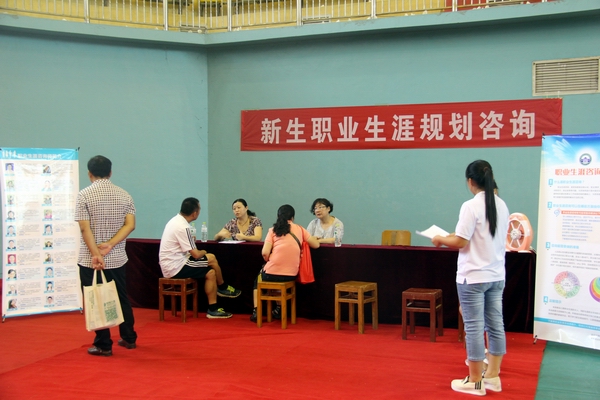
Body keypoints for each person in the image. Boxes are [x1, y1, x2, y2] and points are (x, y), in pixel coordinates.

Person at [432, 160, 509, 396]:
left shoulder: (471, 206)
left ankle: (475, 381)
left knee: (474, 326)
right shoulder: (501, 204)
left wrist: (440, 239)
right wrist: (452, 236)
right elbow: (473, 235)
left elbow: (461, 241)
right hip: (496, 275)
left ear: (470, 181)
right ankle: (492, 376)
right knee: (495, 325)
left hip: (473, 277)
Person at [76, 155, 137, 357]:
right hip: (117, 257)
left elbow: (84, 229)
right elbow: (130, 225)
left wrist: (96, 254)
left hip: (90, 260)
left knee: (95, 300)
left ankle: (103, 344)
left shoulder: (84, 195)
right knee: (121, 296)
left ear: (89, 174)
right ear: (110, 173)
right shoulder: (124, 195)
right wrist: (111, 244)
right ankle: (129, 337)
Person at [159, 197, 240, 319]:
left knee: (210, 273)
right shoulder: (183, 226)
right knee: (211, 258)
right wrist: (204, 251)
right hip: (176, 266)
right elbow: (196, 254)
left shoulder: (175, 221)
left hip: (172, 263)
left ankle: (213, 308)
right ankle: (222, 287)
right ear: (195, 213)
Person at [250, 205, 320, 322]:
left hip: (271, 273)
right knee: (279, 280)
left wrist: (269, 260)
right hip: (291, 274)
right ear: (292, 217)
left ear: (278, 216)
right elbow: (316, 245)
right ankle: (278, 309)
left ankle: (257, 311)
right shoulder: (300, 229)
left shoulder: (273, 230)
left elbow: (264, 252)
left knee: (258, 280)